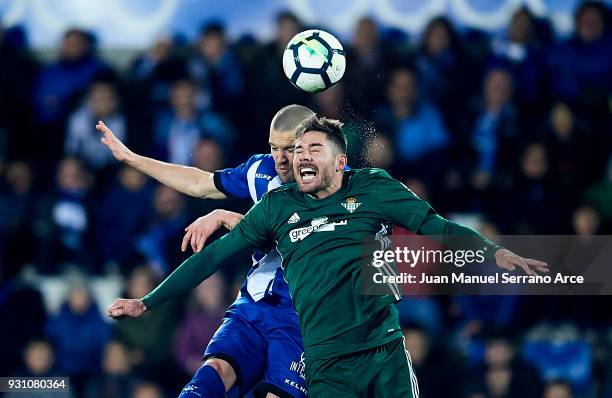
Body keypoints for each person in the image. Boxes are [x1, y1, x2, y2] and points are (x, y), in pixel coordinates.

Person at [107, 115, 548, 397]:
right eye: (286, 150)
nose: (290, 158)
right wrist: (148, 301)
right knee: (210, 378)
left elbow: (439, 228)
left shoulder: (372, 188)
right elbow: (212, 250)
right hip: (295, 336)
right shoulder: (274, 199)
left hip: (363, 341)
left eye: (303, 149)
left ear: (340, 162)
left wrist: (495, 253)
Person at [97, 104, 316, 398]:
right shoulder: (259, 171)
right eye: (274, 148)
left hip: (303, 320)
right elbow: (200, 184)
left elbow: (299, 239)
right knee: (210, 376)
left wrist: (227, 217)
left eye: (289, 149)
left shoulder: (348, 191)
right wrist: (133, 159)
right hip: (252, 307)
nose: (279, 159)